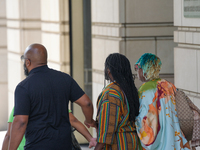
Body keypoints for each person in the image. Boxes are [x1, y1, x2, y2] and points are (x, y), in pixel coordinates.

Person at [8, 43, 96, 150]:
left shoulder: (24, 87)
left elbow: (21, 122)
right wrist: (89, 121)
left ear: (28, 62)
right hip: (64, 146)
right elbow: (86, 103)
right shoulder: (65, 79)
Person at [134, 53, 191, 150]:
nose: (136, 71)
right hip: (175, 140)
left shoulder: (144, 90)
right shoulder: (169, 85)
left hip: (160, 144)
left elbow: (145, 119)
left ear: (144, 68)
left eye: (137, 67)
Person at [93, 53, 140, 150]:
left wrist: (97, 147)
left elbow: (107, 126)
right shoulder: (128, 89)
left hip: (117, 144)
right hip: (131, 142)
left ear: (108, 70)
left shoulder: (111, 93)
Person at [2, 108, 96, 150]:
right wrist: (90, 138)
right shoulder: (55, 103)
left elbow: (9, 135)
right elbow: (74, 121)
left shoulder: (19, 106)